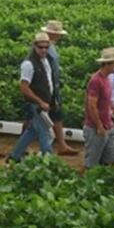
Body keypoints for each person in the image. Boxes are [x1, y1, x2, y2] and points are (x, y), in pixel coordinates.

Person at [9, 32, 58, 161]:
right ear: (34, 46)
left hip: (44, 103)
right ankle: (47, 161)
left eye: (46, 47)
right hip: (36, 105)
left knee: (32, 131)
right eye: (40, 47)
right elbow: (24, 87)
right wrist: (40, 102)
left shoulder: (47, 60)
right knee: (45, 133)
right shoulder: (28, 65)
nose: (43, 50)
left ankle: (15, 156)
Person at [85, 47, 114, 169]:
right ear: (107, 64)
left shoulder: (107, 78)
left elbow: (106, 100)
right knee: (92, 162)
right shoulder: (96, 81)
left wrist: (112, 110)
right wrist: (99, 125)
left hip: (108, 125)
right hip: (96, 127)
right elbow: (91, 105)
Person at [40, 20, 74, 154]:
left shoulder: (51, 46)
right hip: (47, 87)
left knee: (57, 114)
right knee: (36, 118)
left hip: (53, 86)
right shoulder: (44, 47)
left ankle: (62, 144)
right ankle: (23, 147)